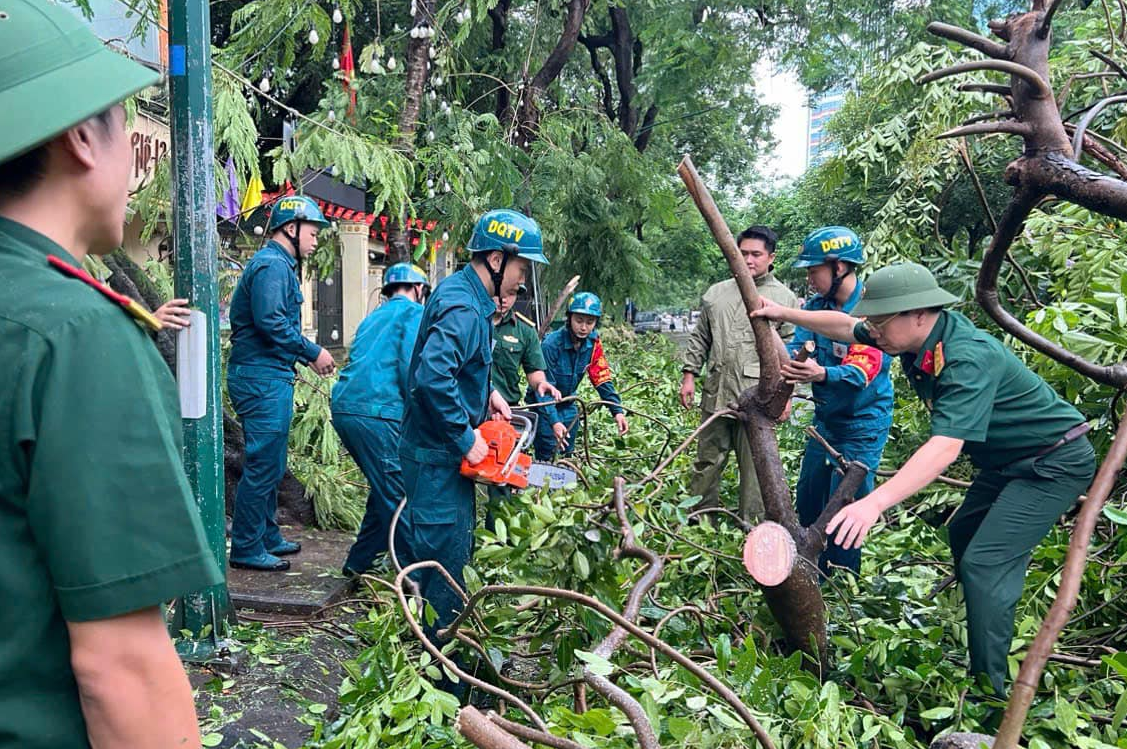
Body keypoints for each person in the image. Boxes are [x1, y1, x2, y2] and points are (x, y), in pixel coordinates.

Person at [0, 3, 223, 747]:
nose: (134, 158)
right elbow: (120, 667)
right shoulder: (74, 337)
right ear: (80, 137)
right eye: (128, 128)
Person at [751, 262, 1095, 695]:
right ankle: (983, 616)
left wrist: (873, 503)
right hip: (1004, 463)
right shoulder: (909, 337)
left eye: (880, 321)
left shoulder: (966, 357)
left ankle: (992, 693)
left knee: (985, 561)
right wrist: (784, 314)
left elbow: (944, 448)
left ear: (917, 313)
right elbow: (845, 326)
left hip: (1052, 462)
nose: (872, 330)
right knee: (964, 535)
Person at [398, 208, 549, 681]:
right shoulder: (466, 307)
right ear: (496, 258)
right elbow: (430, 378)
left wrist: (488, 395)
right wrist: (467, 439)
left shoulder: (470, 298)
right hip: (439, 454)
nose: (523, 278)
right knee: (446, 565)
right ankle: (445, 671)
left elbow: (455, 369)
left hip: (439, 450)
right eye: (522, 267)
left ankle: (430, 652)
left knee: (439, 556)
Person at [227, 195, 337, 571]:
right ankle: (245, 546)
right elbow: (272, 322)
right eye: (312, 230)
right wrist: (313, 352)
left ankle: (267, 534)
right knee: (261, 464)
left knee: (271, 463)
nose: (316, 238)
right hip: (260, 379)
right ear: (291, 228)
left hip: (268, 376)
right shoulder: (272, 267)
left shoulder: (279, 265)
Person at [784, 227, 893, 575]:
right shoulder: (816, 308)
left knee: (845, 508)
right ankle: (812, 571)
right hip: (825, 421)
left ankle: (843, 585)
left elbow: (861, 372)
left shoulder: (873, 308)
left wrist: (821, 375)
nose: (810, 277)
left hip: (863, 425)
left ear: (840, 267)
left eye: (814, 269)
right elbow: (796, 348)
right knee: (809, 497)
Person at [680, 225, 799, 523]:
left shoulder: (783, 300)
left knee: (756, 470)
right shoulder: (716, 294)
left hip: (758, 400)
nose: (748, 260)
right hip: (717, 393)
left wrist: (787, 398)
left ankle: (753, 528)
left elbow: (790, 354)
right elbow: (700, 339)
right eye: (742, 253)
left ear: (771, 257)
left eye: (756, 254)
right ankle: (699, 520)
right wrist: (689, 375)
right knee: (707, 461)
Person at [332, 263, 430, 577]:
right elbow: (409, 367)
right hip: (377, 411)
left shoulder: (372, 317)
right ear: (419, 290)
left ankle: (357, 564)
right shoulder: (414, 314)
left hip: (347, 406)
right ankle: (418, 581)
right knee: (400, 496)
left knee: (383, 487)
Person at [533, 292, 629, 460]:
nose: (584, 327)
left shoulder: (593, 344)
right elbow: (542, 389)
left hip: (569, 406)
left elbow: (602, 378)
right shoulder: (551, 345)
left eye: (590, 322)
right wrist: (554, 422)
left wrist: (617, 411)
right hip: (545, 408)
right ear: (569, 318)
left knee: (566, 457)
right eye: (579, 321)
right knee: (547, 456)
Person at [491, 294, 558, 408]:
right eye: (498, 294)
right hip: (469, 406)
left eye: (511, 294)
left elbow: (533, 369)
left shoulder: (525, 331)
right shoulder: (469, 321)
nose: (504, 299)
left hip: (506, 407)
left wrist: (540, 383)